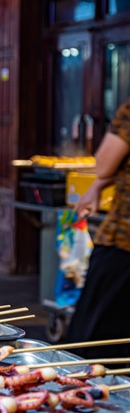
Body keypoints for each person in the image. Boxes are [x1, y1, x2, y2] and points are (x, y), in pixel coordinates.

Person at [67, 98, 130, 359]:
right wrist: (99, 186)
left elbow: (104, 164)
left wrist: (99, 179)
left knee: (92, 348)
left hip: (123, 247)